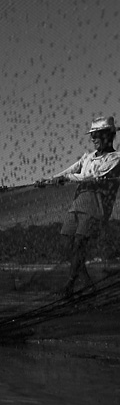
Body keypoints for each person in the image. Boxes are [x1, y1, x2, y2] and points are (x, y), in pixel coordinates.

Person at [49, 116, 120, 296]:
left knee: (80, 243)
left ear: (108, 136)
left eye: (97, 135)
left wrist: (65, 178)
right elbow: (72, 170)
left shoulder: (115, 159)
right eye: (92, 135)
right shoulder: (87, 157)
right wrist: (51, 179)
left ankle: (70, 285)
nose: (93, 138)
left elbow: (93, 177)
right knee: (67, 242)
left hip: (96, 205)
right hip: (78, 202)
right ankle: (87, 285)